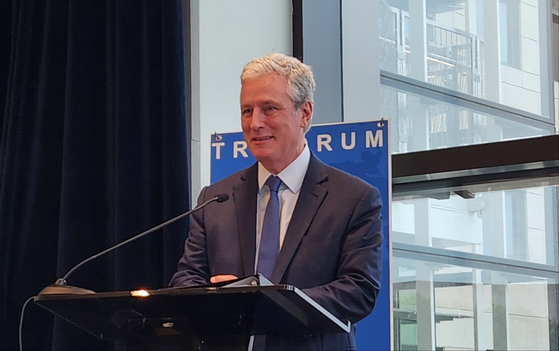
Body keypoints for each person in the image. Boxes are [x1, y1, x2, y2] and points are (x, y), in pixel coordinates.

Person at [170, 53, 382, 350]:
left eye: (269, 108)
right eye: (247, 110)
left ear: (304, 113)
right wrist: (217, 300)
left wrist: (267, 303)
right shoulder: (215, 198)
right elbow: (186, 280)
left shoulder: (354, 198)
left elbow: (358, 291)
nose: (255, 123)